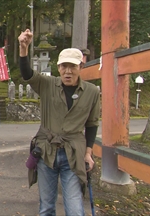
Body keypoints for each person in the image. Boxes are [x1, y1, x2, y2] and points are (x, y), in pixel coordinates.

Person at [18, 29, 100, 216]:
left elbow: (92, 124)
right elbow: (27, 74)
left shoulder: (92, 92)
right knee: (46, 207)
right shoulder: (48, 85)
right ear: (58, 67)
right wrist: (24, 49)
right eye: (64, 66)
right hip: (46, 151)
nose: (68, 71)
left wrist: (88, 154)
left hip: (73, 153)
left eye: (73, 66)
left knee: (75, 208)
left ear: (81, 66)